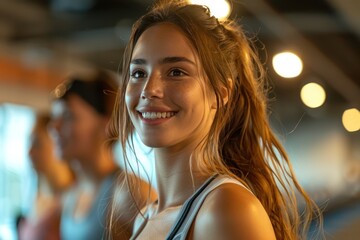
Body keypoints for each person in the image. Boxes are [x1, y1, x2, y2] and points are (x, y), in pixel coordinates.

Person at [108, 1, 323, 239]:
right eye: (138, 73)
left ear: (220, 93)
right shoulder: (144, 217)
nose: (150, 89)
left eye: (176, 72)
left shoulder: (227, 209)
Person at [51, 69, 156, 240]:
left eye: (68, 116)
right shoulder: (71, 193)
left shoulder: (129, 194)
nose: (54, 127)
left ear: (105, 124)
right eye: (54, 117)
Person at [18, 113, 75, 240]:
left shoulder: (69, 198)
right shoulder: (37, 194)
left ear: (55, 144)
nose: (30, 152)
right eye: (30, 143)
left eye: (37, 144)